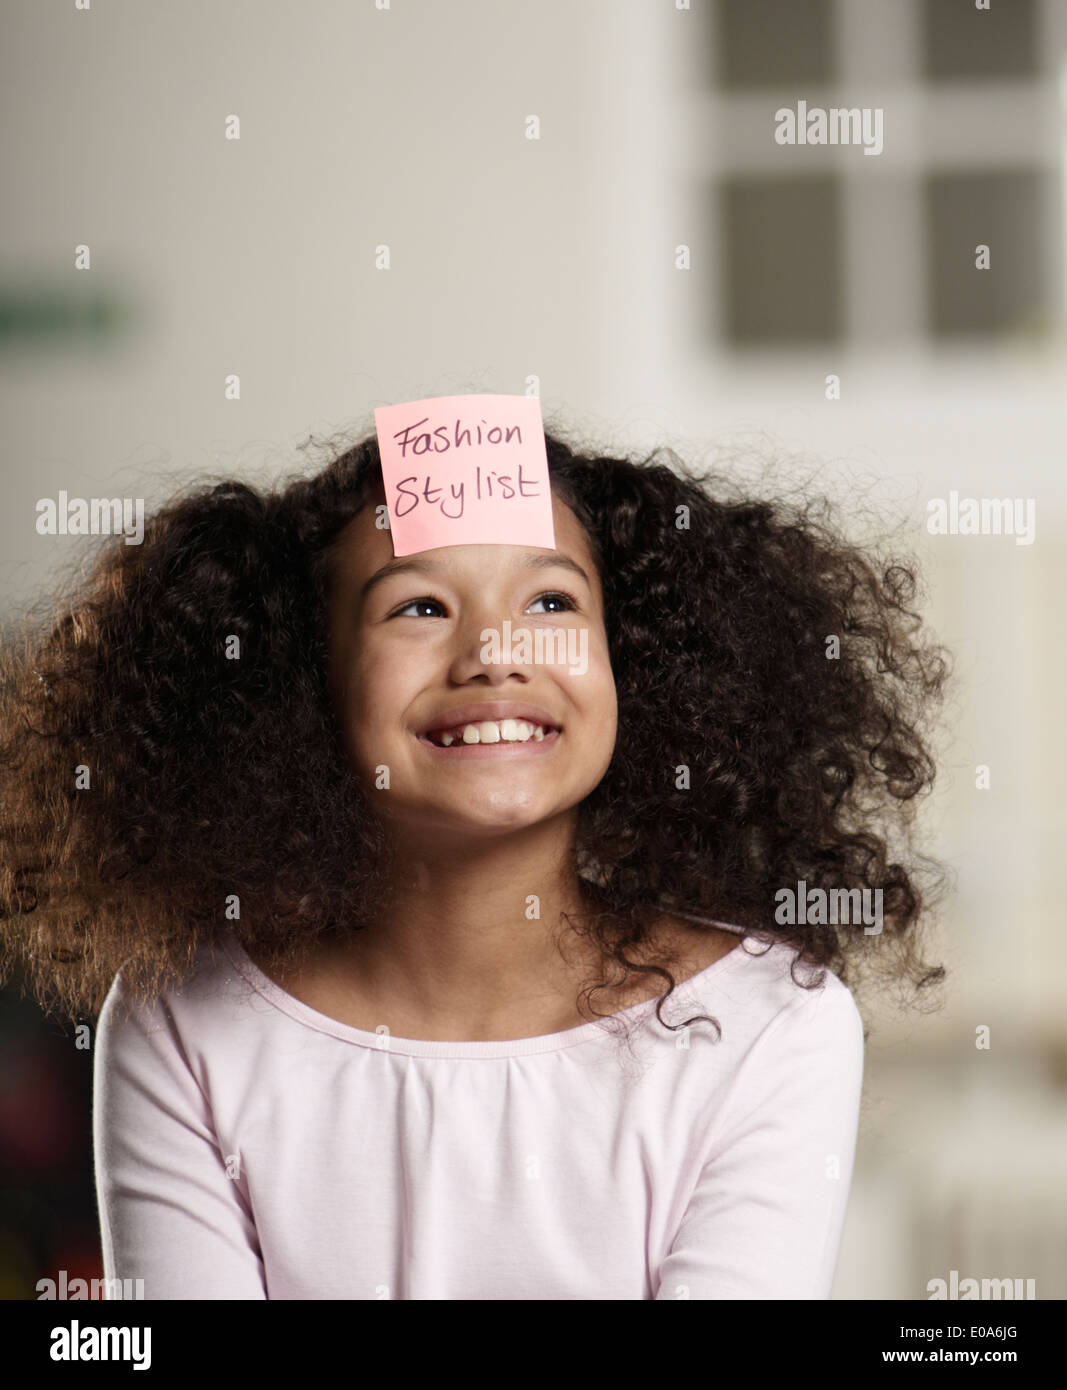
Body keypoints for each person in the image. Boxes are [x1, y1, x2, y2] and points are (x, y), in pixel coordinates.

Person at [0, 418, 949, 1299]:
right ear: (304, 682)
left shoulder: (772, 1023)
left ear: (636, 664)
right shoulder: (182, 1021)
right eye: (417, 606)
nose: (495, 652)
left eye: (549, 599)